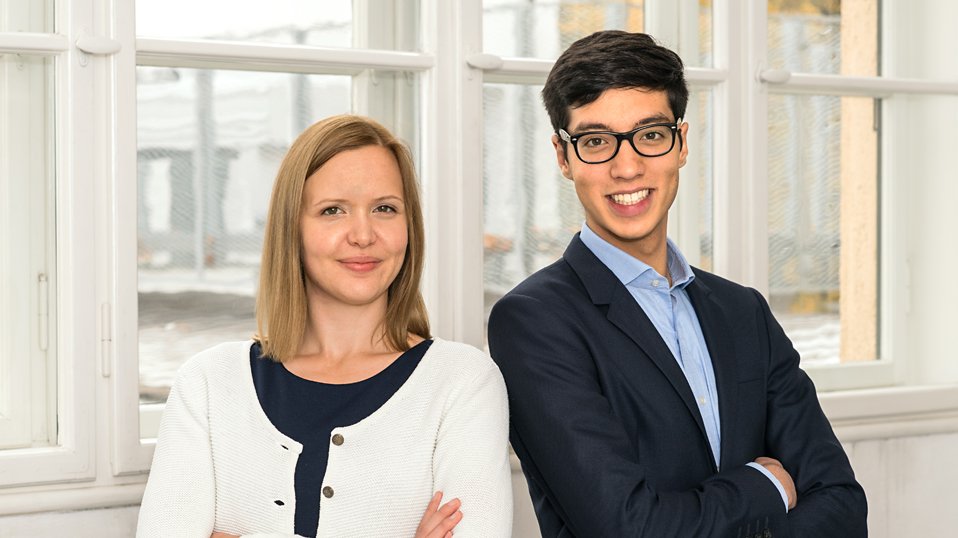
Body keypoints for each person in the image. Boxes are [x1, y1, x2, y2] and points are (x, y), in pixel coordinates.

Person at [487, 31, 867, 537]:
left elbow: (841, 503)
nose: (627, 167)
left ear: (681, 143)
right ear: (563, 156)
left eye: (650, 134)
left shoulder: (742, 311)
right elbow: (624, 527)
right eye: (596, 141)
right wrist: (766, 487)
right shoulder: (534, 321)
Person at [137, 115, 513, 538]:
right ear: (291, 229)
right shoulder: (208, 383)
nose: (363, 234)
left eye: (385, 209)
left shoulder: (462, 382)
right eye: (332, 210)